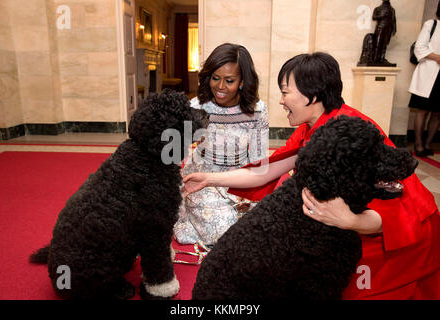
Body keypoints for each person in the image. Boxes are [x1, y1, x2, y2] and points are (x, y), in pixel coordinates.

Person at [183, 52, 440, 299]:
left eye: (285, 92)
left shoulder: (352, 134)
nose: (281, 100)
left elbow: (397, 209)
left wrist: (348, 220)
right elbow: (264, 173)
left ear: (312, 95)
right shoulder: (313, 127)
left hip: (401, 235)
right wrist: (208, 178)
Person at [173, 43, 269, 246]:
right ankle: (188, 218)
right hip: (203, 176)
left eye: (230, 80)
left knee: (261, 227)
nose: (220, 87)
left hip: (240, 176)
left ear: (243, 81)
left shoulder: (257, 109)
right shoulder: (197, 106)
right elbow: (173, 152)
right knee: (224, 230)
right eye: (215, 78)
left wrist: (255, 193)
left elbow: (259, 159)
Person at [409, 2, 440, 157]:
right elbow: (419, 47)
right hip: (429, 74)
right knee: (422, 110)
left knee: (437, 113)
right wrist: (437, 57)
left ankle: (428, 143)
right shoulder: (432, 24)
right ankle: (418, 144)